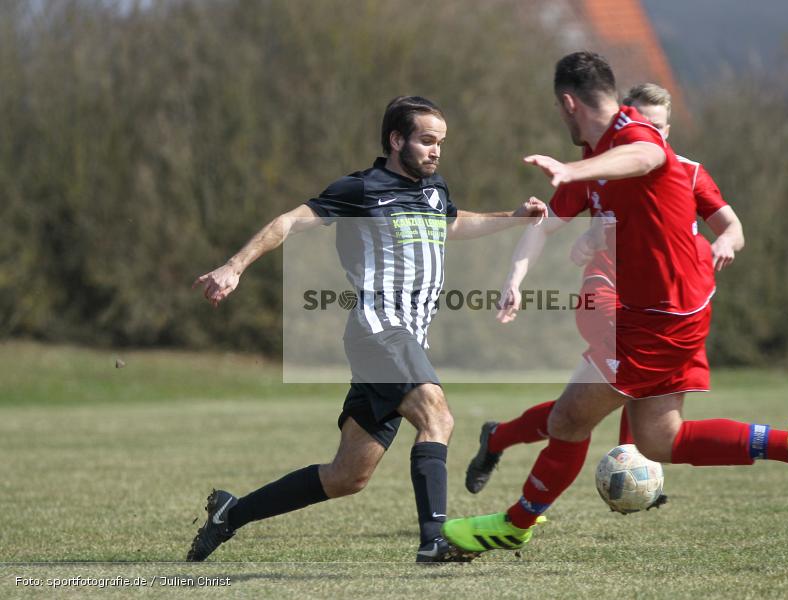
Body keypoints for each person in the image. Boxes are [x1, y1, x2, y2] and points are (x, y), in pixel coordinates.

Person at [442, 53, 788, 557]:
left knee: (571, 419)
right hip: (668, 312)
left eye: (559, 109)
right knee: (660, 439)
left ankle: (514, 522)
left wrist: (573, 168)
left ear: (568, 104)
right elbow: (544, 224)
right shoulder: (600, 156)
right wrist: (516, 276)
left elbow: (646, 158)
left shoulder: (634, 137)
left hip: (658, 319)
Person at [187, 95, 547, 563]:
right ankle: (434, 540)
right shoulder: (361, 189)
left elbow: (452, 224)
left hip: (407, 338)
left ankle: (229, 515)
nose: (436, 150)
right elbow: (290, 223)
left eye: (441, 141)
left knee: (347, 476)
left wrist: (512, 217)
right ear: (397, 140)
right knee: (437, 417)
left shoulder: (434, 191)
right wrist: (235, 266)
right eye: (426, 140)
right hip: (379, 329)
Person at [465, 82, 745, 493]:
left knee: (595, 402)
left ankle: (501, 437)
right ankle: (629, 471)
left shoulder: (687, 172)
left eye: (660, 126)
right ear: (625, 119)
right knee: (609, 391)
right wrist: (520, 275)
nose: (651, 132)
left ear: (669, 130)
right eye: (643, 122)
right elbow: (544, 225)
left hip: (667, 305)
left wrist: (724, 241)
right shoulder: (599, 165)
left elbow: (733, 226)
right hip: (606, 291)